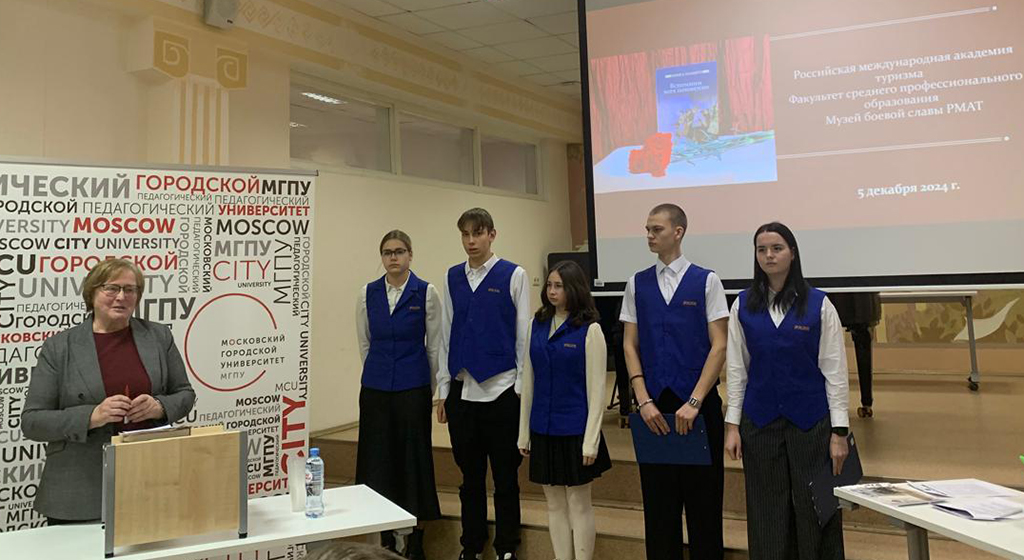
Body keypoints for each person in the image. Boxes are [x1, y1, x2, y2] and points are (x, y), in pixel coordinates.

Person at [21, 258, 196, 523]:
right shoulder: (60, 347)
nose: (121, 297)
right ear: (91, 293)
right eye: (111, 288)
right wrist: (92, 416)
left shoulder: (158, 336)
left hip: (150, 480)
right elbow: (32, 422)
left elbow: (184, 393)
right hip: (79, 491)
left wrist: (159, 407)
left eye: (130, 289)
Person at [724, 222, 850, 560]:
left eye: (777, 248)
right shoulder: (742, 305)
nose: (769, 255)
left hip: (812, 423)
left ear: (792, 253)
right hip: (760, 422)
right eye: (762, 249)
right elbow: (737, 370)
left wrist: (839, 432)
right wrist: (732, 425)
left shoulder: (820, 305)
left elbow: (835, 372)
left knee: (817, 507)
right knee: (766, 510)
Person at [620, 203, 729, 560]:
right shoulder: (636, 283)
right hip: (654, 408)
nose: (649, 236)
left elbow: (719, 344)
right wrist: (642, 399)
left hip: (699, 407)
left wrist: (695, 401)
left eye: (657, 229)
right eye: (647, 230)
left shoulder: (707, 281)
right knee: (659, 511)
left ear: (678, 232)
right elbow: (630, 344)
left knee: (704, 509)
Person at [437, 208, 531, 560]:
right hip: (462, 391)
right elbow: (446, 333)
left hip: (503, 389)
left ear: (492, 234)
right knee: (470, 479)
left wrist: (521, 387)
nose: (471, 241)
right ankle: (471, 547)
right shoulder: (452, 277)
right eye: (465, 234)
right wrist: (443, 389)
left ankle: (506, 547)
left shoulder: (514, 275)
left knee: (505, 478)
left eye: (477, 233)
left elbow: (523, 334)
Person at [356, 230, 442, 560]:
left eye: (400, 251)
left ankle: (415, 538)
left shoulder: (426, 292)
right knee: (378, 462)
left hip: (413, 388)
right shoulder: (367, 293)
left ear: (410, 255)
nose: (393, 257)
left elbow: (434, 346)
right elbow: (365, 343)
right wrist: (379, 373)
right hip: (376, 390)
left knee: (413, 461)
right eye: (388, 252)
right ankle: (386, 538)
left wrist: (429, 388)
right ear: (382, 257)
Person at [518, 261, 612, 560]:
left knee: (578, 503)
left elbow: (597, 390)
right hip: (542, 427)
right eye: (549, 285)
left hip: (575, 429)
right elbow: (528, 382)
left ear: (574, 288)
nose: (552, 291)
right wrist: (523, 433)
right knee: (554, 504)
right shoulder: (536, 324)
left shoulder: (589, 329)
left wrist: (591, 441)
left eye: (559, 286)